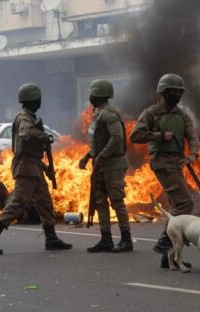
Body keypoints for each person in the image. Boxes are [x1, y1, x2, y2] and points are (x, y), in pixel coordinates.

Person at [0, 83, 72, 255]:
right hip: (25, 167)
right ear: (32, 100)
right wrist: (44, 136)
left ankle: (51, 238)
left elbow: (32, 150)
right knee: (19, 202)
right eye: (38, 99)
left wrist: (44, 167)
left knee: (45, 203)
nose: (40, 102)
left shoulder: (30, 117)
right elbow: (25, 134)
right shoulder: (24, 118)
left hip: (34, 166)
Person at [129, 74, 200, 268]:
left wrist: (192, 155)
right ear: (163, 92)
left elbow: (193, 136)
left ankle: (168, 257)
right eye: (172, 91)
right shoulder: (151, 113)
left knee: (176, 206)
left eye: (179, 92)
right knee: (185, 203)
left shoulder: (182, 116)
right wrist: (159, 136)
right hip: (162, 161)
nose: (176, 94)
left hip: (177, 162)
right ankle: (164, 243)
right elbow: (135, 135)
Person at [78, 79, 133, 253]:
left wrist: (101, 156)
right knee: (100, 201)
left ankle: (126, 239)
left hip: (112, 165)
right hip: (100, 165)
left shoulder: (109, 114)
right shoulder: (98, 114)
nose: (90, 97)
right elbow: (98, 142)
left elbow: (117, 139)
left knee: (117, 201)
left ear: (98, 95)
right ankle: (106, 239)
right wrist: (88, 156)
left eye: (92, 93)